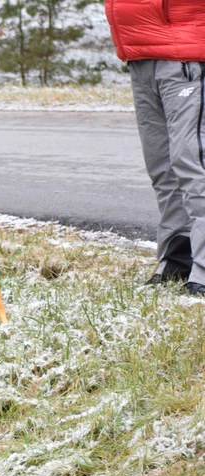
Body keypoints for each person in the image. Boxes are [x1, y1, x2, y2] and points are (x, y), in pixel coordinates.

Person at [107, 0, 205, 292]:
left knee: (193, 163)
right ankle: (178, 257)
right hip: (141, 54)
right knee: (163, 166)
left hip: (186, 52)